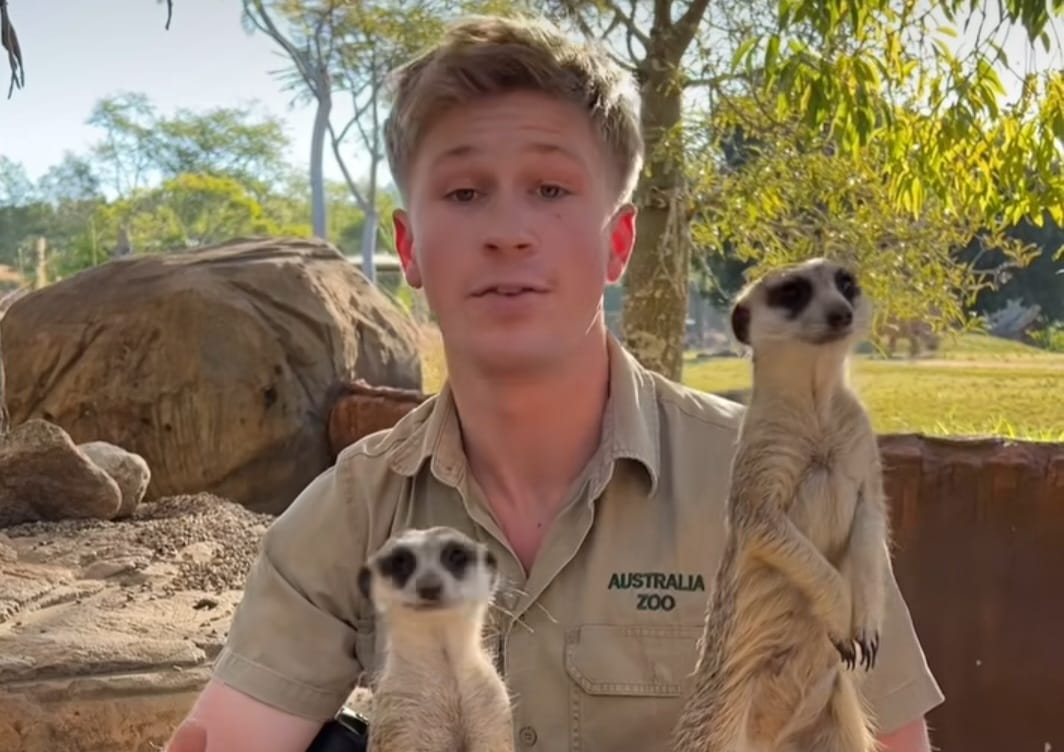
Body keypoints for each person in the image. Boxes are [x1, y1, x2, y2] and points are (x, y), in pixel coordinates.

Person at [166, 13, 944, 752]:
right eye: (464, 193)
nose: (508, 233)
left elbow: (882, 735)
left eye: (551, 190)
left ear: (619, 243)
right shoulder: (348, 514)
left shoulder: (767, 472)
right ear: (409, 248)